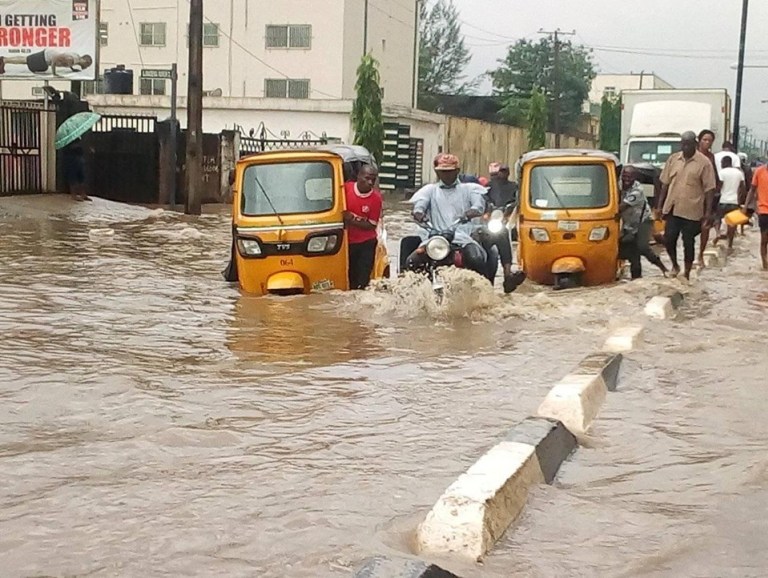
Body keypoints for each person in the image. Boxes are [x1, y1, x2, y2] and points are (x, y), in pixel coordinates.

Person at [407, 153, 489, 278]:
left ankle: (482, 288)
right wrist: (419, 214)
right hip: (435, 238)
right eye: (442, 171)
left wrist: (470, 213)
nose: (446, 175)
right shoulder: (430, 190)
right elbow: (420, 206)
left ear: (457, 171)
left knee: (475, 258)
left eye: (450, 171)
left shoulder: (469, 189)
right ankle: (410, 289)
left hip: (462, 237)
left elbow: (478, 206)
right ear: (437, 172)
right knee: (412, 262)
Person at [657, 131, 717, 280]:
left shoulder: (704, 163)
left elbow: (710, 189)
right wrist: (659, 206)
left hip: (692, 210)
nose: (685, 147)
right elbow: (664, 184)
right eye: (682, 144)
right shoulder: (673, 159)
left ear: (695, 144)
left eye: (688, 144)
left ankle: (687, 272)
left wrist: (708, 213)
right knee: (669, 239)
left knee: (688, 242)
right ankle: (675, 265)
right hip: (672, 207)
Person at [619, 166, 668, 279]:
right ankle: (636, 277)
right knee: (630, 249)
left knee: (642, 247)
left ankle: (663, 269)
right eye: (624, 176)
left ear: (635, 178)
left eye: (629, 177)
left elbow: (620, 208)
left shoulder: (637, 191)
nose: (626, 179)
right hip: (629, 224)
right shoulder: (618, 185)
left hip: (643, 221)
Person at [482, 162, 524, 292]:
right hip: (489, 219)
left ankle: (507, 273)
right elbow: (483, 200)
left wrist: (508, 212)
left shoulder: (513, 187)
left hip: (504, 219)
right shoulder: (489, 187)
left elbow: (516, 200)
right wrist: (486, 212)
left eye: (505, 171)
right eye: (501, 171)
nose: (503, 173)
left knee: (504, 236)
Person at [343, 165, 383, 289]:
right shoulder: (345, 189)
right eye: (367, 178)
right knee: (348, 275)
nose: (370, 182)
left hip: (366, 243)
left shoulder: (376, 198)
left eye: (373, 179)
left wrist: (352, 219)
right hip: (346, 242)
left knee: (362, 279)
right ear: (359, 176)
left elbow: (371, 225)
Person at [697, 129, 722, 267]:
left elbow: (715, 178)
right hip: (692, 196)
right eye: (704, 140)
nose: (707, 143)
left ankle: (700, 254)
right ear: (699, 141)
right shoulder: (693, 155)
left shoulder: (711, 158)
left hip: (707, 197)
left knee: (705, 227)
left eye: (710, 140)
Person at [716, 155, 745, 252]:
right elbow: (742, 188)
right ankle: (730, 244)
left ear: (724, 163)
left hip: (723, 200)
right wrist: (740, 200)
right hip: (734, 201)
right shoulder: (739, 173)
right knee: (732, 223)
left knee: (718, 219)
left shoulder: (722, 172)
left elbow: (719, 186)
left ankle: (717, 234)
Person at [743, 161, 768, 270]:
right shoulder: (759, 171)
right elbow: (752, 190)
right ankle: (765, 264)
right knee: (764, 239)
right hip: (763, 211)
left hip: (762, 211)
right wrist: (745, 206)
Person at [0, 50, 93, 76]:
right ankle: (5, 60)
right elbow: (56, 59)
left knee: (25, 59)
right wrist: (54, 73)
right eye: (87, 65)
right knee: (25, 61)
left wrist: (72, 69)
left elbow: (65, 60)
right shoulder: (73, 60)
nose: (85, 66)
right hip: (45, 58)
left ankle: (5, 59)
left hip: (47, 54)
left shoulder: (76, 57)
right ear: (85, 60)